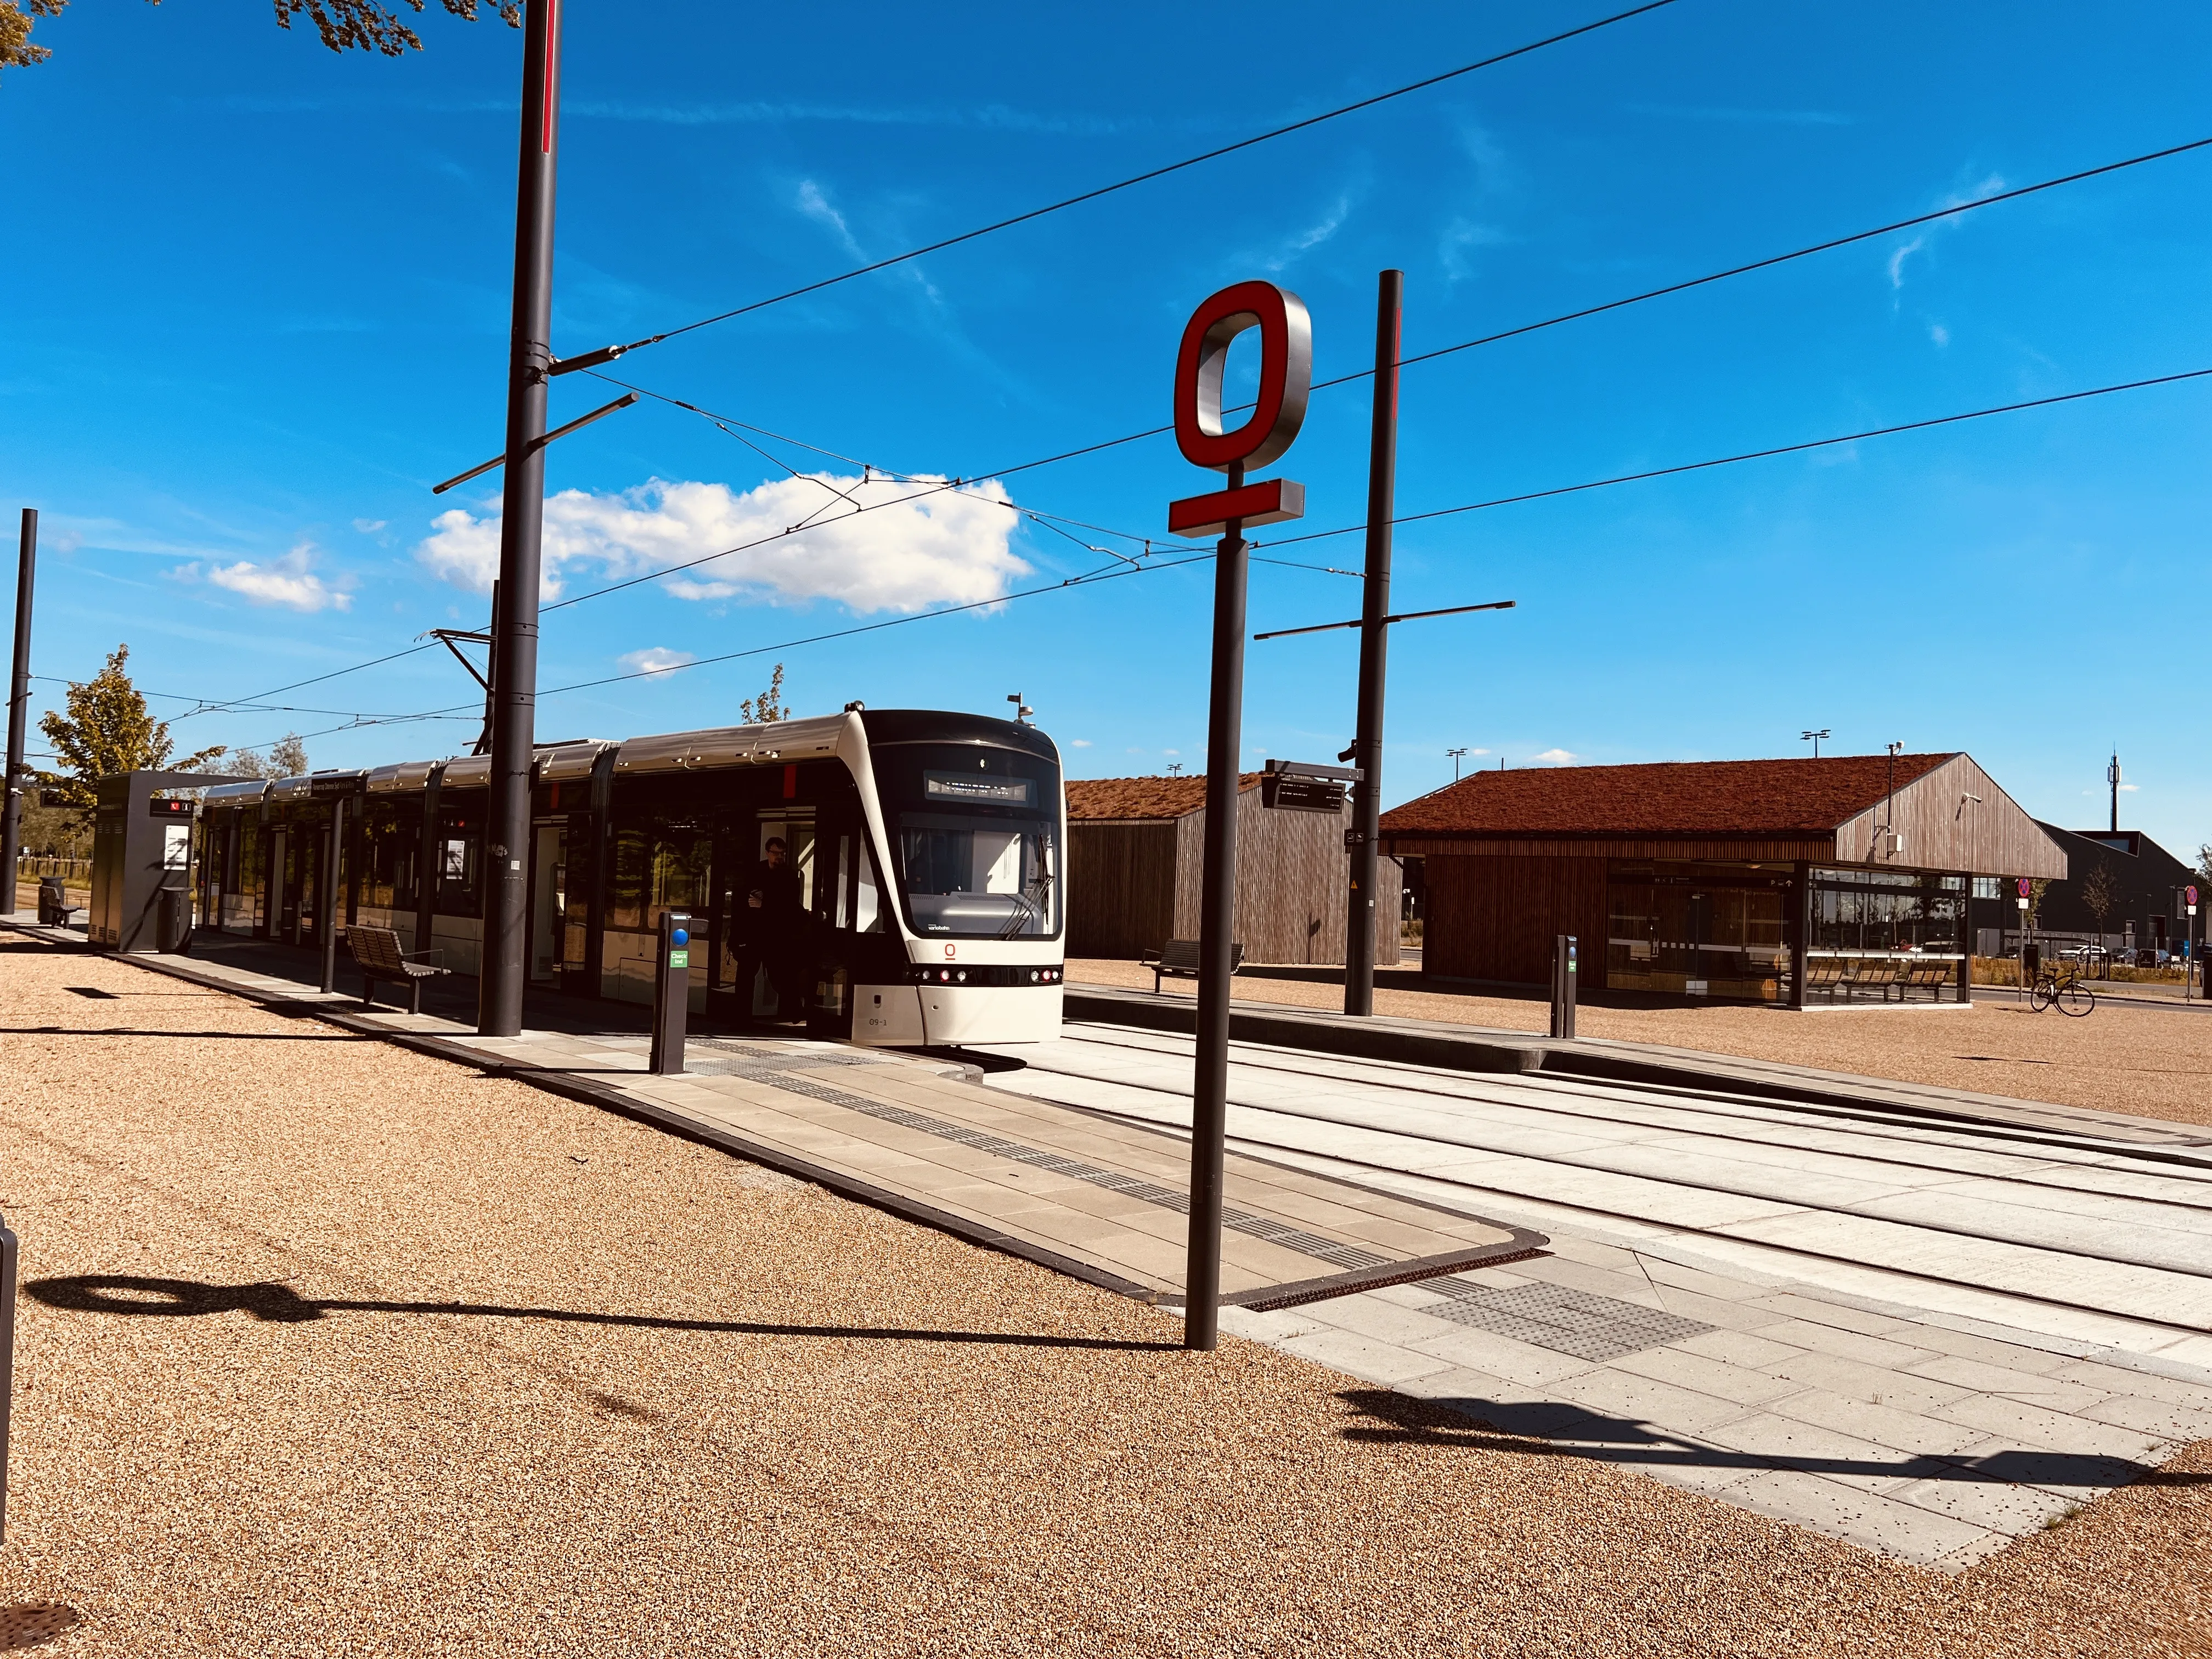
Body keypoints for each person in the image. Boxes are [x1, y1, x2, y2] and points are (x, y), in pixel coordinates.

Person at [731, 837, 805, 1020]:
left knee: (779, 976)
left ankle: (794, 1011)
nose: (779, 857)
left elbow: (790, 907)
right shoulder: (755, 871)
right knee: (745, 977)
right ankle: (741, 1018)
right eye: (776, 853)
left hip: (776, 935)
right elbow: (741, 902)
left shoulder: (790, 876)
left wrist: (764, 903)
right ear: (767, 852)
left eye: (782, 853)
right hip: (753, 935)